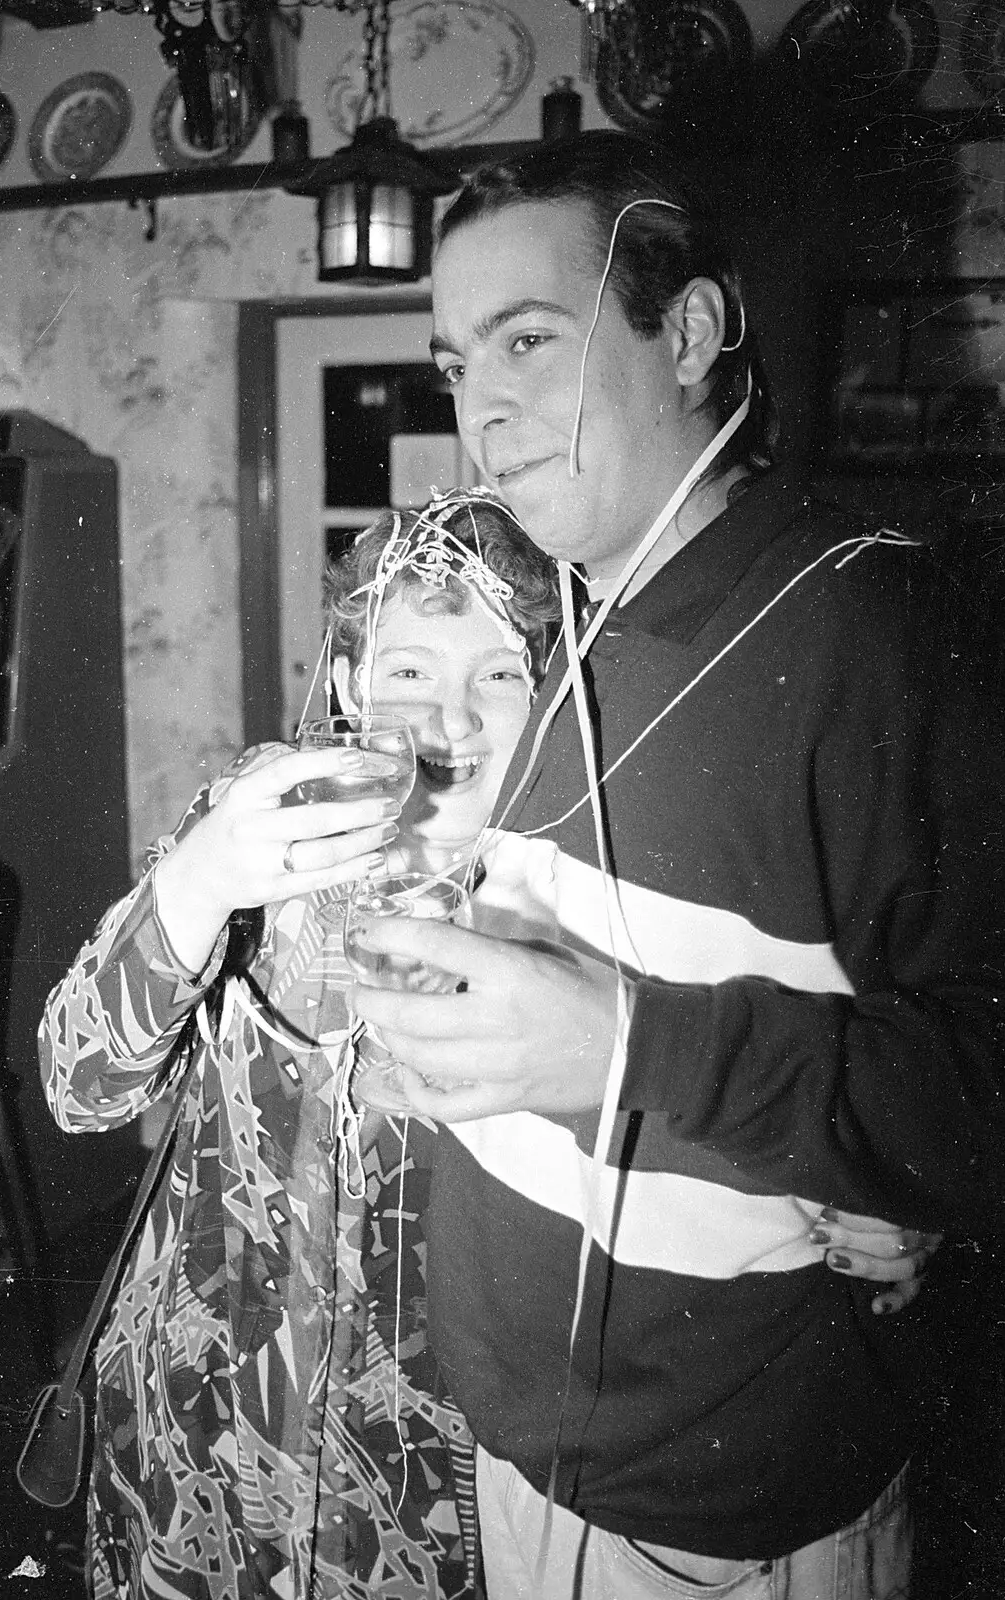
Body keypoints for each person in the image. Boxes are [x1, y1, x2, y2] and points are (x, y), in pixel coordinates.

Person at [348, 131, 1002, 1598]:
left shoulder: (876, 636)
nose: (484, 405)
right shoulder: (523, 629)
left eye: (527, 337)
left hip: (738, 1515)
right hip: (508, 1456)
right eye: (458, 362)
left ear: (689, 332)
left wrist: (638, 1047)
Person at [36, 489, 560, 1600]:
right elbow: (77, 1087)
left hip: (419, 1500)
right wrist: (199, 883)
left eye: (499, 675)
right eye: (410, 668)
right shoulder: (259, 832)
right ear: (348, 684)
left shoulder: (576, 902)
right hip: (193, 1443)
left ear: (550, 692)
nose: (449, 721)